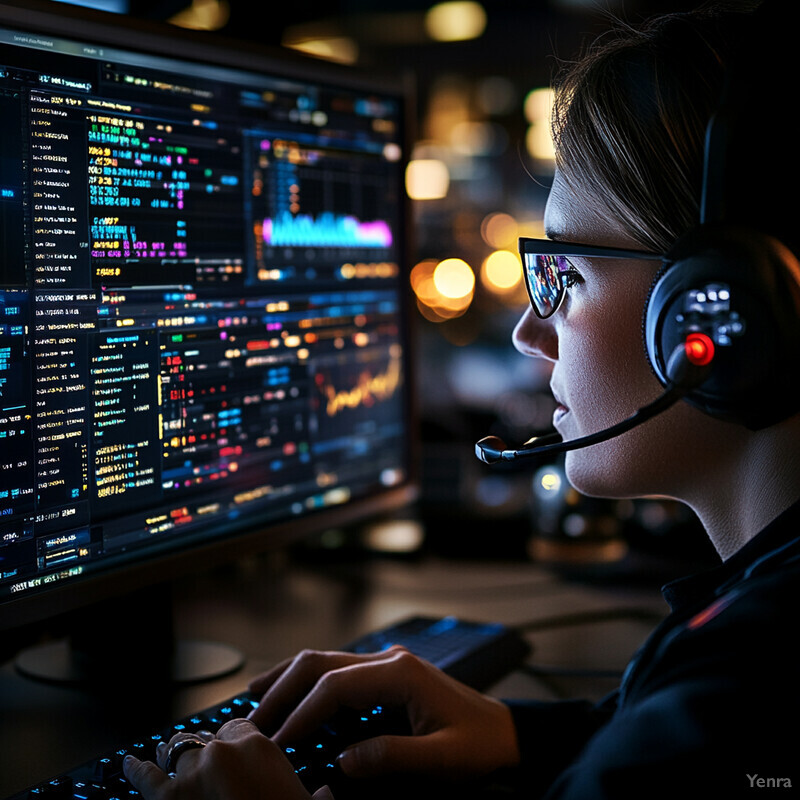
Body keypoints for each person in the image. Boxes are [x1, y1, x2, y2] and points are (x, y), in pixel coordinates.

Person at [123, 2, 800, 797]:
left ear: (720, 308)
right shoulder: (747, 637)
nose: (527, 333)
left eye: (564, 274)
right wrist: (527, 736)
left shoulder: (747, 682)